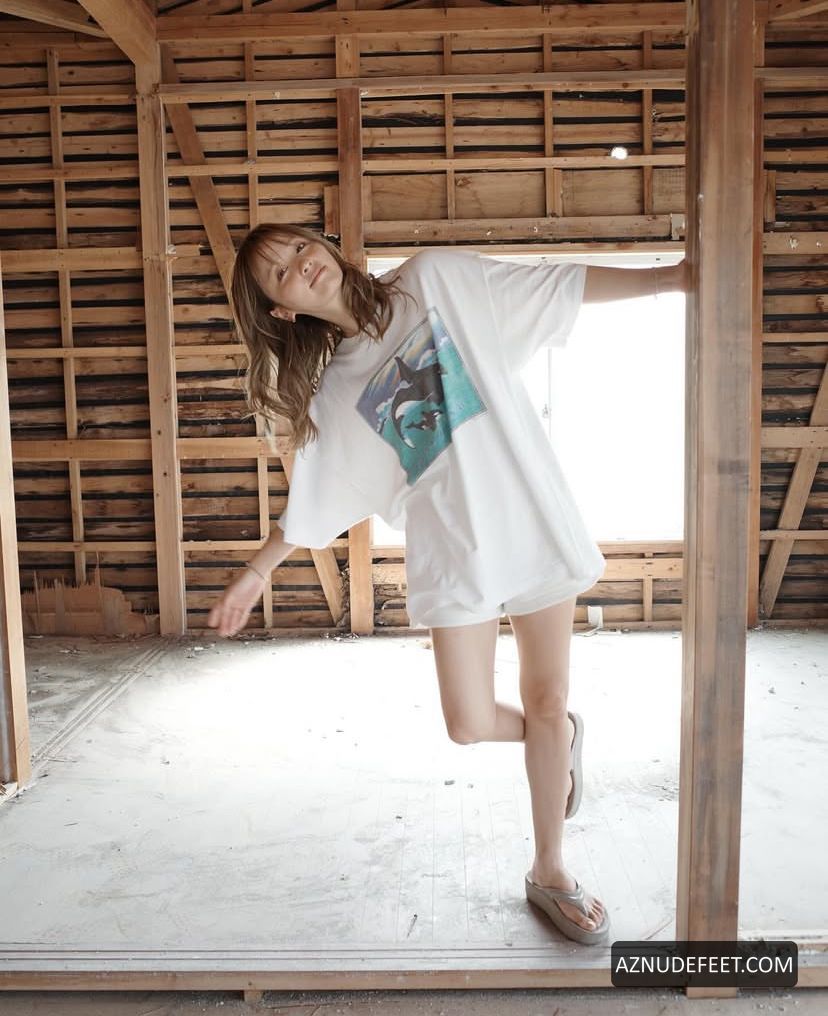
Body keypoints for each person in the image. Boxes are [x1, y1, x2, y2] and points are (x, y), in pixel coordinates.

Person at [207, 224, 688, 946]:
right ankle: (557, 738)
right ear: (282, 309)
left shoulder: (431, 280)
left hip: (527, 513)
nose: (299, 267)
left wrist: (671, 278)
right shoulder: (335, 393)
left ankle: (550, 868)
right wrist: (256, 571)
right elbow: (318, 496)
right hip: (453, 549)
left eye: (299, 248)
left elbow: (553, 286)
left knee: (545, 696)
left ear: (324, 246)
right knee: (467, 722)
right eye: (278, 273)